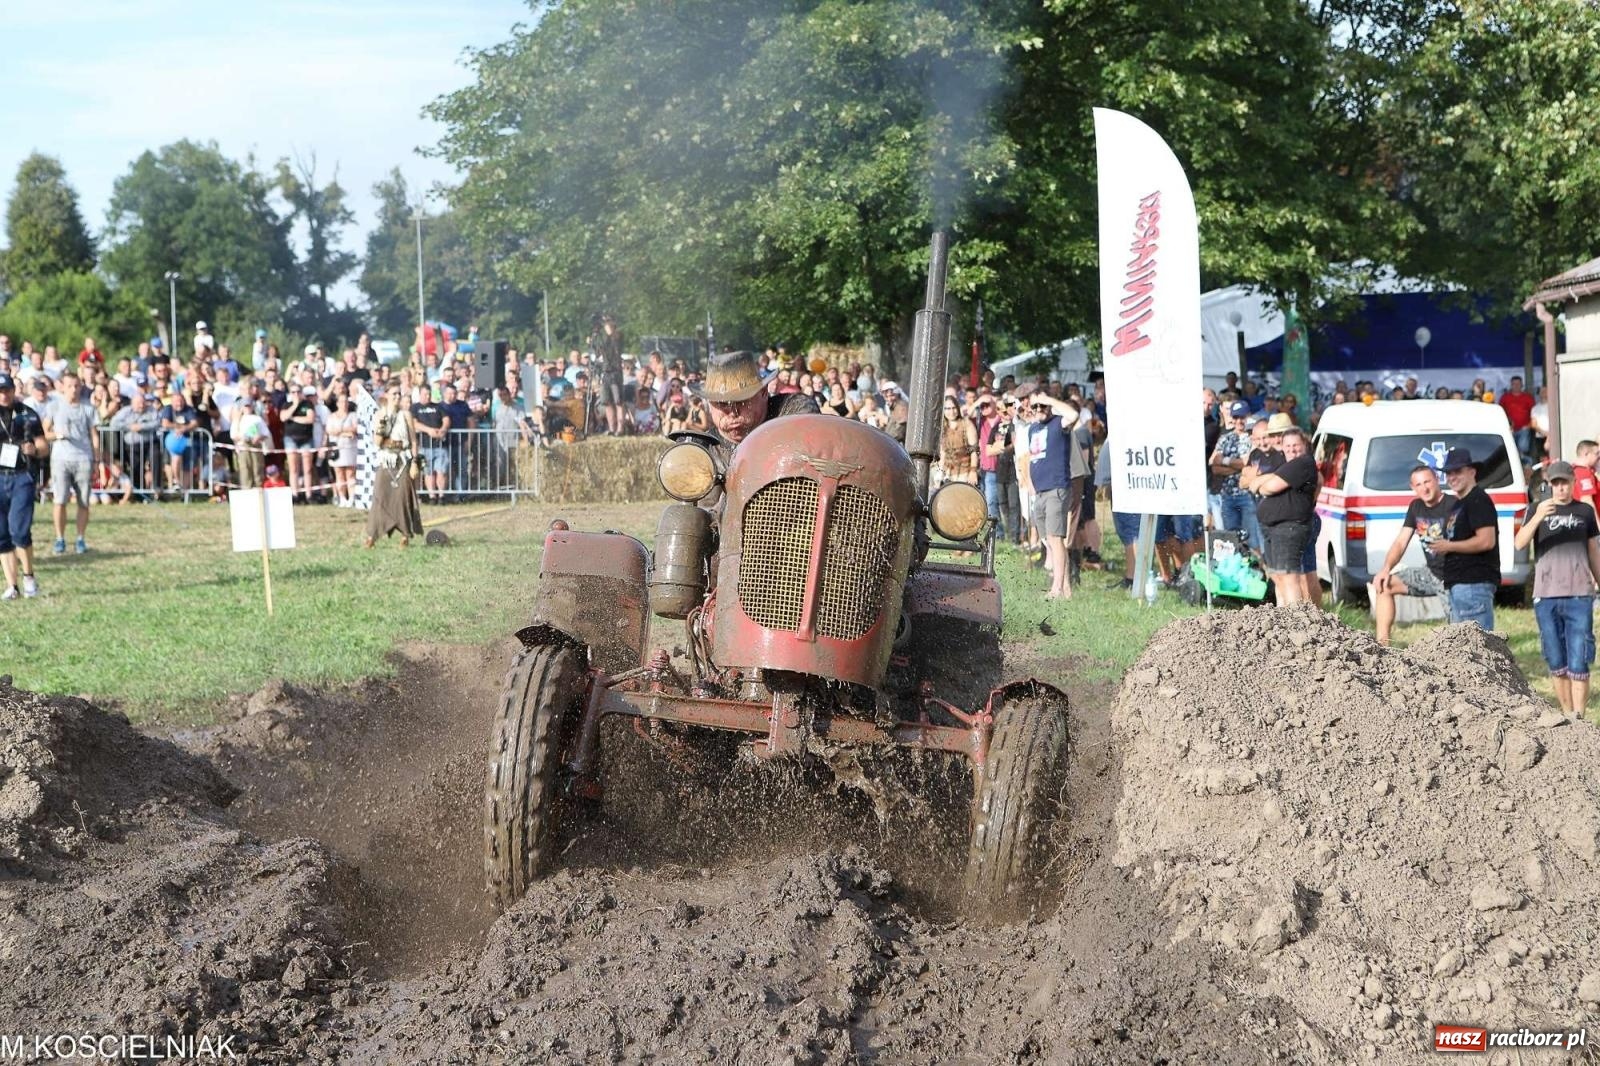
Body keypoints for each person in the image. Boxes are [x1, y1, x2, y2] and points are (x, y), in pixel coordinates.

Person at [1514, 461, 1600, 718]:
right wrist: (1539, 515)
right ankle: (1565, 714)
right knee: (1556, 660)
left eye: (1566, 482)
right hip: (1546, 595)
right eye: (1556, 483)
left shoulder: (1584, 511)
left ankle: (1579, 717)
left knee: (1579, 658)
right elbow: (1519, 543)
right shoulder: (1535, 509)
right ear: (1549, 485)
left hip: (1579, 594)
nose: (1561, 488)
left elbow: (1594, 550)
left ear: (1574, 483)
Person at [1370, 465, 1453, 644]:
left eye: (1427, 482)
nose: (1424, 488)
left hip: (1453, 577)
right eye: (1419, 484)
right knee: (1384, 584)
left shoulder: (1453, 505)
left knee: (1459, 629)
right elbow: (1401, 542)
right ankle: (1382, 647)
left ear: (1437, 480)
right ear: (1413, 488)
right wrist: (1385, 569)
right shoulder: (1416, 507)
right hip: (1430, 573)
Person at [696, 350, 816, 456]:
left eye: (741, 401)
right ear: (709, 404)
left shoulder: (792, 409)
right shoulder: (703, 451)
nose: (733, 412)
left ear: (763, 393)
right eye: (722, 404)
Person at [1432, 448, 1500, 631]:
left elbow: (1487, 540)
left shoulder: (1478, 500)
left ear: (1472, 471)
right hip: (1460, 584)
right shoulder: (1460, 503)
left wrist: (1449, 546)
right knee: (1463, 651)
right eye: (1448, 473)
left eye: (1458, 471)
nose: (1452, 477)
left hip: (1473, 584)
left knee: (1477, 648)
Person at [1252, 427, 1319, 605]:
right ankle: (1284, 621)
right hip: (1273, 527)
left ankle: (1295, 621)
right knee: (1277, 576)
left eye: (1295, 445)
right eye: (1287, 446)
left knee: (1289, 577)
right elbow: (1248, 480)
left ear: (1304, 444)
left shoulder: (1303, 462)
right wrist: (1261, 481)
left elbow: (1269, 487)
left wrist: (1261, 482)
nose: (1292, 449)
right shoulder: (1286, 465)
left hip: (1289, 527)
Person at [1026, 393, 1081, 599]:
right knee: (1048, 540)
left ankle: (1056, 588)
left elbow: (1073, 414)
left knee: (1056, 538)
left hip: (1056, 488)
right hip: (1040, 491)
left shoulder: (1059, 423)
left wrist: (1049, 400)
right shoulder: (1033, 428)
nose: (1039, 410)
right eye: (1036, 407)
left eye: (1043, 406)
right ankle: (1065, 587)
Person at [0, 374, 47, 599]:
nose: (4, 394)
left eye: (7, 389)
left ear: (13, 390)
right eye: (0, 390)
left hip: (21, 476)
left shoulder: (27, 413)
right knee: (2, 535)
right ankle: (12, 586)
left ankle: (29, 577)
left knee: (19, 530)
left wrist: (35, 451)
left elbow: (43, 445)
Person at [42, 372, 99, 554]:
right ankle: (60, 538)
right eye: (70, 386)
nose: (73, 390)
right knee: (60, 500)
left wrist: (96, 459)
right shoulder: (54, 407)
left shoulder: (88, 408)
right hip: (61, 459)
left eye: (76, 386)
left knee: (83, 502)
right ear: (62, 387)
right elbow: (44, 432)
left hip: (83, 458)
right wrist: (58, 435)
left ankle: (80, 538)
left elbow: (94, 435)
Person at [365, 388, 424, 548]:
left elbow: (413, 441)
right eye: (394, 394)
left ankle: (405, 534)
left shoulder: (406, 415)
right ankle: (372, 535)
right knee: (380, 495)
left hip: (403, 460)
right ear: (387, 396)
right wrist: (384, 425)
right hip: (386, 459)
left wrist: (414, 462)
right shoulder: (380, 414)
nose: (397, 397)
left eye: (399, 394)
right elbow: (377, 442)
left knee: (404, 498)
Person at [977, 396, 1020, 544]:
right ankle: (1004, 536)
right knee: (1001, 504)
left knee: (1014, 505)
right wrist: (1005, 446)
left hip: (1014, 470)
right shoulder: (998, 427)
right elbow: (988, 450)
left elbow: (1017, 443)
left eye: (1005, 410)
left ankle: (1015, 538)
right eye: (1001, 410)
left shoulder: (1017, 425)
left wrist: (1000, 446)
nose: (1003, 413)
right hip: (999, 470)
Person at [325, 391, 359, 506]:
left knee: (350, 473)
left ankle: (352, 498)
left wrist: (340, 431)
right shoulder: (331, 417)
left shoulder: (353, 415)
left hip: (350, 448)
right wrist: (345, 432)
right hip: (337, 448)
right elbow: (330, 431)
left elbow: (355, 429)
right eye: (341, 401)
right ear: (337, 403)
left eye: (346, 401)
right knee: (339, 473)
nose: (344, 404)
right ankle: (342, 498)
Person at [937, 396, 978, 487]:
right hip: (948, 472)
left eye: (953, 408)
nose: (951, 412)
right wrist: (939, 473)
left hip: (965, 472)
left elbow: (974, 451)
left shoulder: (967, 424)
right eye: (947, 408)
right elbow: (943, 452)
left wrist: (973, 471)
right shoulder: (943, 426)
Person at [1498, 375, 1535, 461]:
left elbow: (1534, 413)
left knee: (1523, 449)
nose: (1516, 386)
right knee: (1509, 450)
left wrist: (1528, 425)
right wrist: (1506, 425)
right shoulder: (1505, 397)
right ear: (1511, 385)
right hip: (1509, 429)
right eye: (1514, 384)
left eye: (1518, 384)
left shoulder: (1528, 398)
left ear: (1522, 385)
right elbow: (1500, 412)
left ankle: (1525, 468)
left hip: (1524, 429)